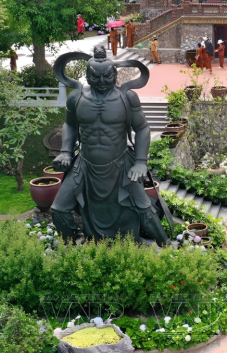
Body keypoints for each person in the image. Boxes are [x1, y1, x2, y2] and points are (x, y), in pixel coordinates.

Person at [50, 46, 167, 244]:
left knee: (144, 208)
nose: (102, 82)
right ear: (87, 76)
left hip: (120, 163)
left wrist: (140, 162)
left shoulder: (127, 97)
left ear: (115, 74)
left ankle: (167, 246)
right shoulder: (77, 97)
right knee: (59, 209)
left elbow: (142, 128)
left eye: (107, 77)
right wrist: (65, 152)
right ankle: (73, 247)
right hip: (85, 164)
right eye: (95, 77)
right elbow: (69, 125)